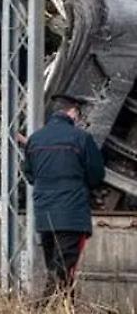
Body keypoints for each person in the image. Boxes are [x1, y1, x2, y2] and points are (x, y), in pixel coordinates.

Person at [24, 94, 105, 300]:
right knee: (64, 269)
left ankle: (60, 310)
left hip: (44, 215)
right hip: (72, 215)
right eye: (79, 114)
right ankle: (47, 308)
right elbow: (97, 174)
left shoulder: (35, 139)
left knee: (55, 265)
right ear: (73, 112)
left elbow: (29, 174)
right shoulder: (81, 138)